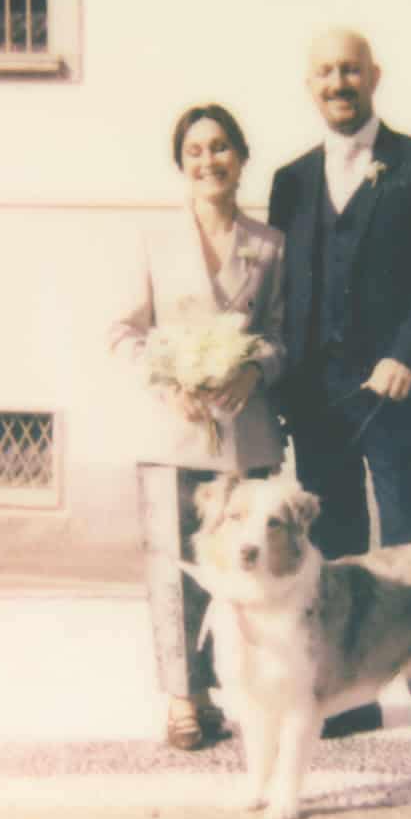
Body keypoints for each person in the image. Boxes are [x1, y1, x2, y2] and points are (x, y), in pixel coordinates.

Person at [269, 29, 411, 740]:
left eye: (349, 70)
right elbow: (283, 289)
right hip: (317, 397)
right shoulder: (290, 180)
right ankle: (351, 699)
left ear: (373, 76)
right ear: (310, 85)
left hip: (395, 389)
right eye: (324, 72)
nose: (338, 83)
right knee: (337, 546)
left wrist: (406, 353)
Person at [110, 104, 286, 750]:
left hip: (245, 432)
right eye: (194, 151)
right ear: (181, 164)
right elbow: (124, 331)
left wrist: (256, 371)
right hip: (173, 433)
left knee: (250, 567)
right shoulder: (153, 241)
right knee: (173, 568)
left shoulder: (270, 245)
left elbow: (284, 334)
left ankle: (251, 692)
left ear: (241, 157)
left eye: (220, 148)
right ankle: (186, 700)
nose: (208, 161)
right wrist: (166, 383)